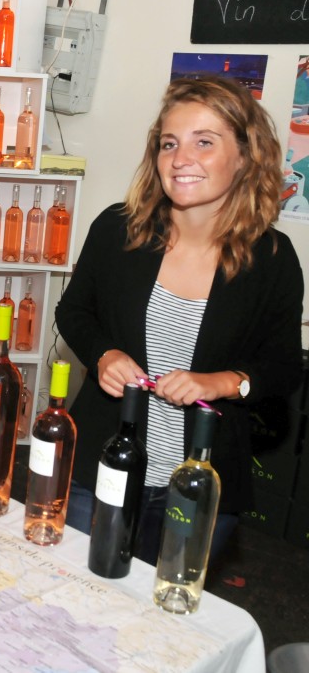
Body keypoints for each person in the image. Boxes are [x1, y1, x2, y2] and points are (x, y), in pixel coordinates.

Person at [56, 75, 304, 565]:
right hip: (103, 465)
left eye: (204, 142)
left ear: (245, 155)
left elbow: (283, 367)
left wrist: (222, 382)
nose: (180, 158)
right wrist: (104, 354)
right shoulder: (118, 229)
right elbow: (73, 310)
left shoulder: (272, 259)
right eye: (169, 143)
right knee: (73, 590)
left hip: (197, 486)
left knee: (169, 607)